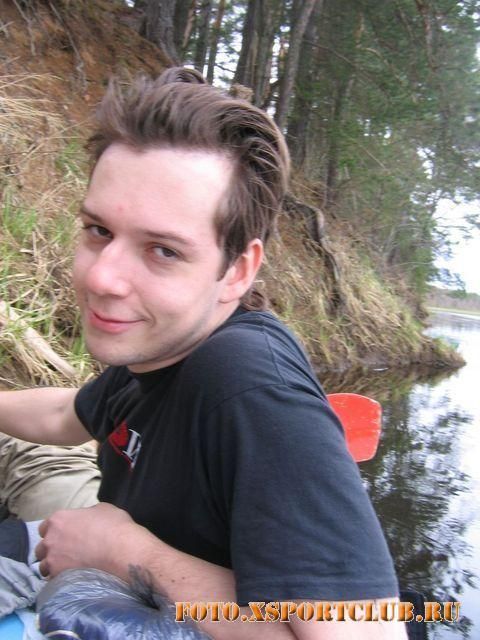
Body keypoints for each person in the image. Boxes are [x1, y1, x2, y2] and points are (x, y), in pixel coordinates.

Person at [0, 67, 407, 639]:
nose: (101, 277)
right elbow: (65, 415)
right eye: (98, 230)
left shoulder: (250, 386)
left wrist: (126, 552)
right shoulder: (160, 346)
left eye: (163, 250)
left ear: (237, 269)